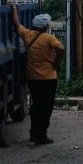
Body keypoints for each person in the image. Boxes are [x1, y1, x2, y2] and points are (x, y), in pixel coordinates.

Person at [11, 8, 64, 146]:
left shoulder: (27, 35)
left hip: (33, 78)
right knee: (46, 108)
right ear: (45, 26)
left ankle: (34, 134)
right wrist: (57, 62)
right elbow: (61, 48)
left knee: (36, 106)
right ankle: (42, 136)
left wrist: (14, 9)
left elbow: (17, 24)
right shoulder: (48, 37)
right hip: (48, 78)